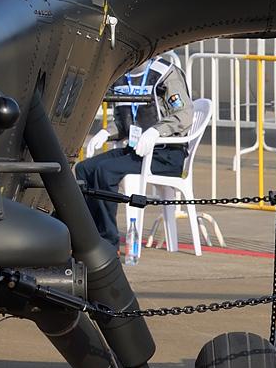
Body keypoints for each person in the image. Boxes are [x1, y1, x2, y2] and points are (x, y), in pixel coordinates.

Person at [77, 52, 195, 258]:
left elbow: (184, 114)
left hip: (165, 153)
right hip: (136, 149)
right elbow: (124, 122)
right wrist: (106, 132)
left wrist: (157, 131)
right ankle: (88, 236)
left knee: (105, 171)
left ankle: (108, 242)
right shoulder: (122, 76)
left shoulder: (164, 73)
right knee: (84, 169)